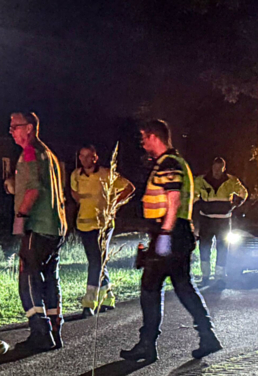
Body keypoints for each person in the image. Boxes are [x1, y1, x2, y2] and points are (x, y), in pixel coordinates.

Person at [120, 120, 222, 363]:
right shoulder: (173, 162)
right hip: (176, 232)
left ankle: (147, 343)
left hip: (170, 233)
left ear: (155, 137)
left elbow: (173, 198)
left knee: (150, 288)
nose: (142, 142)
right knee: (183, 286)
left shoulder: (169, 163)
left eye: (144, 137)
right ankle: (207, 336)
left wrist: (164, 234)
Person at [9, 111, 68, 351]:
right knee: (50, 277)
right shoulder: (49, 154)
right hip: (56, 227)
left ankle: (39, 331)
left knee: (28, 275)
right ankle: (54, 328)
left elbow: (33, 190)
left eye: (15, 126)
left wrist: (20, 217)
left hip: (38, 226)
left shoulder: (30, 153)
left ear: (30, 128)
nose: (11, 131)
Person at [70, 145, 135, 317]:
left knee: (95, 262)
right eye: (81, 156)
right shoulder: (75, 175)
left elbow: (129, 188)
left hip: (103, 225)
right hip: (83, 225)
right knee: (98, 261)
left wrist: (113, 204)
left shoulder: (106, 173)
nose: (84, 159)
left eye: (88, 156)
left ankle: (89, 302)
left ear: (95, 157)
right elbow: (74, 193)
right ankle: (108, 298)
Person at [194, 157, 248, 288]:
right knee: (204, 248)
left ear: (224, 168)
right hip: (206, 219)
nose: (217, 171)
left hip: (223, 220)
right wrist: (198, 206)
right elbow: (192, 194)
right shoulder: (201, 180)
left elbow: (243, 193)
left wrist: (234, 205)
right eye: (215, 168)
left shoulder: (231, 181)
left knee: (222, 248)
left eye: (220, 169)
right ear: (212, 167)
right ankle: (205, 276)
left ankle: (220, 277)